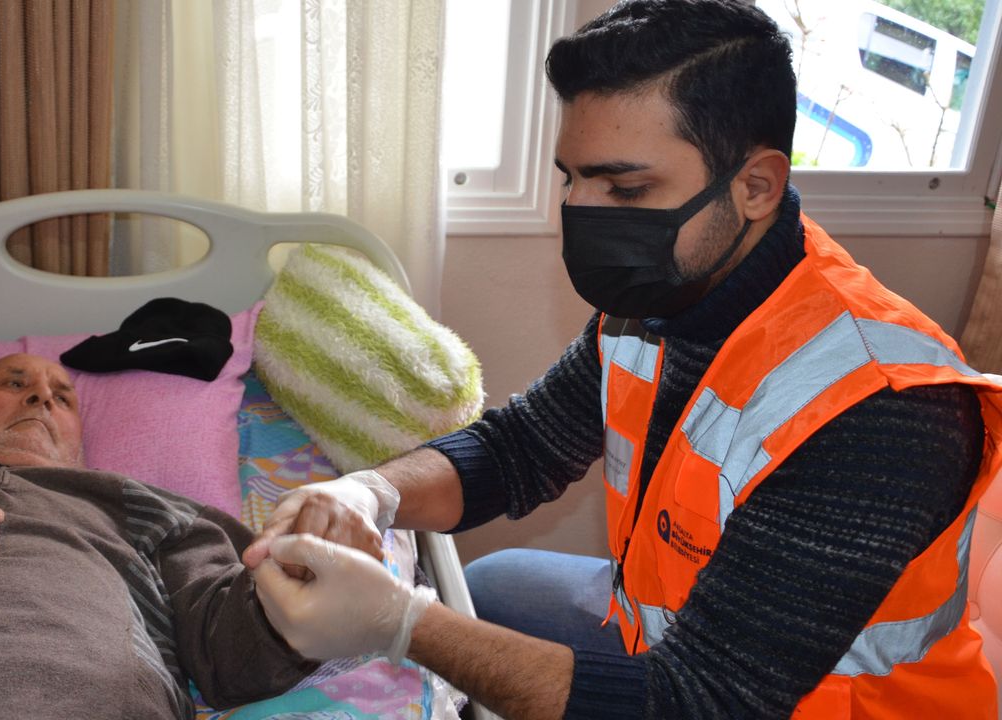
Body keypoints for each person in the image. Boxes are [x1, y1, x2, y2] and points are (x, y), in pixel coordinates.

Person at [242, 1, 1002, 718]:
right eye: (572, 178)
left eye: (627, 189)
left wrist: (401, 624)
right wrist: (370, 491)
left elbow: (696, 702)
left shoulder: (883, 412)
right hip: (683, 647)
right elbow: (520, 449)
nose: (581, 215)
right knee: (498, 583)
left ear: (756, 186)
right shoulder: (662, 298)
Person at [0, 353, 314, 720]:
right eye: (13, 383)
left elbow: (235, 661)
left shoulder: (145, 507)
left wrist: (299, 571)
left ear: (79, 446)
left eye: (62, 398)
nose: (42, 396)